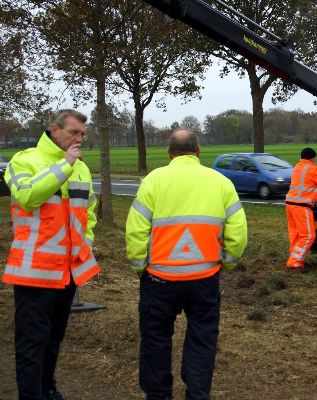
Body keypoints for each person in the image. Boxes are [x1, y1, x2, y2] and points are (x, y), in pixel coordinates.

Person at [125, 128, 247, 400]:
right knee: (202, 340)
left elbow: (135, 231)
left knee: (156, 340)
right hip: (204, 278)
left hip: (159, 278)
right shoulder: (220, 182)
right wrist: (225, 263)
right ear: (198, 151)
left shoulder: (153, 181)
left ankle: (158, 395)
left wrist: (140, 266)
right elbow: (238, 234)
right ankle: (197, 393)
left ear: (169, 153)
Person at [2, 109, 100, 400]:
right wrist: (65, 165)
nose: (79, 138)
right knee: (32, 342)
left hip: (68, 271)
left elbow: (88, 213)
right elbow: (28, 196)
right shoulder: (24, 160)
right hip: (34, 271)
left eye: (82, 134)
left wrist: (87, 244)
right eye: (74, 133)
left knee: (54, 338)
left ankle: (48, 388)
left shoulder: (81, 168)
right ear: (54, 130)